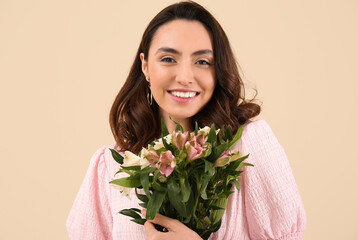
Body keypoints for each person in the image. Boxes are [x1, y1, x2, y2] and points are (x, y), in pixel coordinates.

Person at [66, 1, 306, 239]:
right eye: (168, 59)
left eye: (202, 61)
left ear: (217, 70)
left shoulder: (248, 146)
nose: (184, 77)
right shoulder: (111, 167)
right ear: (146, 67)